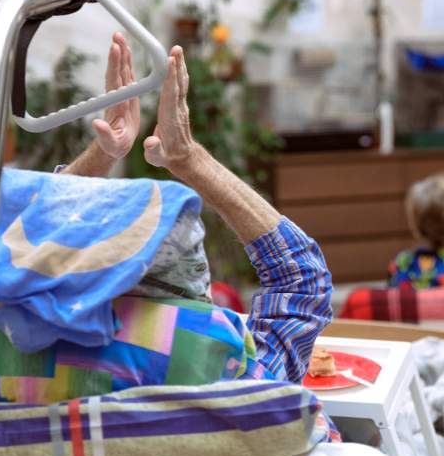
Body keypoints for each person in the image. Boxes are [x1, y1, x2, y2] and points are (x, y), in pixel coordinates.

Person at [58, 33, 332, 383]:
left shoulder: (21, 354)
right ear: (195, 284)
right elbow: (302, 279)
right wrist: (188, 158)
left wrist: (102, 154)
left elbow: (21, 249)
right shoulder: (238, 384)